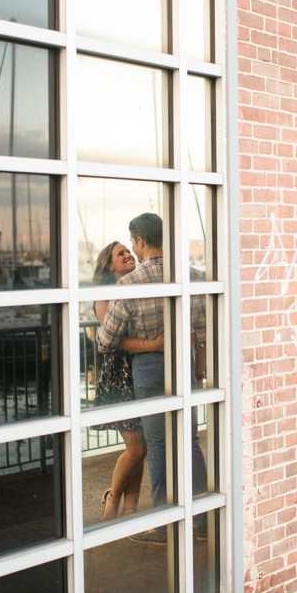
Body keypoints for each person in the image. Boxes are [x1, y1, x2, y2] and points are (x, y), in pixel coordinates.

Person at [97, 213, 206, 543]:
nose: (132, 247)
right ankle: (200, 518)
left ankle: (163, 523)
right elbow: (201, 333)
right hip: (184, 365)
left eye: (132, 242)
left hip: (148, 368)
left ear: (141, 241)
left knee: (157, 446)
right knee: (188, 442)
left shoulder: (129, 284)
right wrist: (198, 371)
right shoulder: (192, 276)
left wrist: (143, 343)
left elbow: (105, 340)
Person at [89, 241, 161, 521]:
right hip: (119, 375)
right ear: (109, 265)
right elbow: (111, 341)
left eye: (128, 251)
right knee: (137, 448)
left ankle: (130, 512)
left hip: (138, 371)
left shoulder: (131, 289)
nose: (128, 255)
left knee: (139, 447)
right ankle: (113, 498)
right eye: (121, 254)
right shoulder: (106, 295)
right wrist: (152, 344)